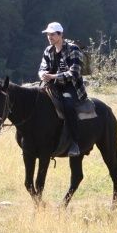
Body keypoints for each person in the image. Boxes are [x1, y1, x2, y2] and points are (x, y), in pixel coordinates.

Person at [38, 21, 88, 156]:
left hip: (71, 87)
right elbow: (42, 68)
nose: (49, 37)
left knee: (69, 105)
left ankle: (75, 142)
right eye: (48, 34)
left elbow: (75, 73)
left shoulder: (73, 49)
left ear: (61, 35)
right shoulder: (48, 50)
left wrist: (53, 76)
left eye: (52, 34)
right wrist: (43, 74)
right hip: (52, 86)